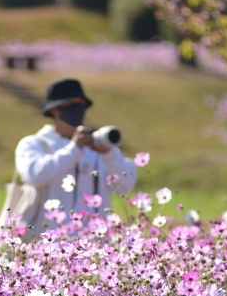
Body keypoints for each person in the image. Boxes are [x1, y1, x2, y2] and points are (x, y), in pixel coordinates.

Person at [11, 78, 138, 235]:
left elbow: (124, 188)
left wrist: (110, 154)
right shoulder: (35, 143)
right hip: (48, 241)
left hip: (96, 243)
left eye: (81, 104)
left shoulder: (98, 146)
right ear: (54, 110)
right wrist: (74, 149)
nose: (78, 110)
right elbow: (35, 176)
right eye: (71, 105)